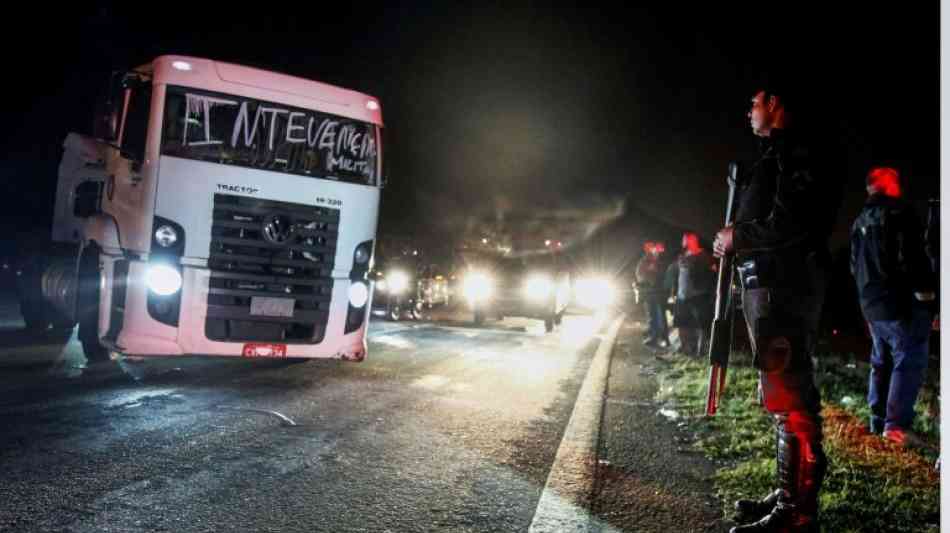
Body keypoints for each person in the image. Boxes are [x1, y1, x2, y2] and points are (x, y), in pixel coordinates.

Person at [713, 81, 839, 532]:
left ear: (775, 104)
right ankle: (788, 491)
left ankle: (796, 512)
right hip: (768, 285)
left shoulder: (799, 152)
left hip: (785, 287)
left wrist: (739, 237)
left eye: (754, 102)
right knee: (782, 396)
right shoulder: (780, 153)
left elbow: (793, 221)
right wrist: (733, 238)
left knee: (791, 395)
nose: (748, 109)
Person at [850, 166, 936, 447]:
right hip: (900, 304)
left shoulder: (858, 221)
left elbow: (854, 266)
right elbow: (913, 260)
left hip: (871, 305)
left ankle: (879, 423)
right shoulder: (900, 214)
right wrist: (931, 302)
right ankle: (896, 427)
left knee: (881, 362)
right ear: (888, 184)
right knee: (907, 359)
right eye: (896, 181)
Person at [668, 232, 716, 357]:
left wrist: (690, 262)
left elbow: (710, 273)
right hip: (682, 295)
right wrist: (673, 290)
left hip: (699, 295)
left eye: (686, 239)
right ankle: (686, 350)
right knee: (682, 323)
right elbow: (677, 274)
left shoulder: (703, 255)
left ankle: (701, 351)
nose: (683, 242)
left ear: (692, 240)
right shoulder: (683, 255)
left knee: (701, 324)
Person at [635, 241, 669, 349]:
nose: (651, 249)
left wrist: (649, 278)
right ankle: (657, 337)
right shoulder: (647, 260)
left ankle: (659, 338)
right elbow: (640, 274)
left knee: (657, 315)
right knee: (654, 315)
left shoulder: (655, 260)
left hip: (656, 291)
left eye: (652, 247)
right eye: (649, 248)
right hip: (651, 292)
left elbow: (653, 274)